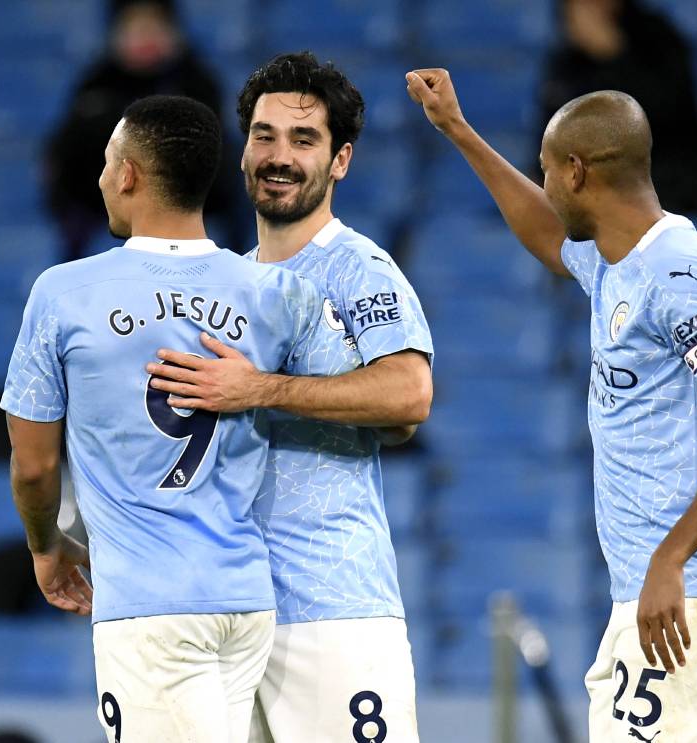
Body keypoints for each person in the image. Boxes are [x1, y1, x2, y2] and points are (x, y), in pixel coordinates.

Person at [406, 69, 697, 742]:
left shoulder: (680, 274)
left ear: (576, 172)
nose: (544, 184)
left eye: (547, 170)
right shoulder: (613, 259)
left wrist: (671, 559)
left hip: (696, 586)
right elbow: (547, 236)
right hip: (658, 587)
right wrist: (459, 131)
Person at [2, 95, 354, 743]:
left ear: (130, 174)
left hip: (149, 607)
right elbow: (367, 408)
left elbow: (33, 464)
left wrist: (45, 547)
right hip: (247, 600)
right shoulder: (273, 292)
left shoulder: (64, 293)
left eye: (110, 163)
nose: (103, 177)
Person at [146, 52, 434, 743]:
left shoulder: (359, 269)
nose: (280, 156)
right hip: (227, 613)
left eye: (304, 140)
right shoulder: (220, 286)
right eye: (265, 136)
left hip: (332, 609)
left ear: (340, 162)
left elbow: (409, 394)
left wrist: (261, 389)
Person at [44, 0, 239, 260]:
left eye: (154, 27)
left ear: (174, 33)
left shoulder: (199, 84)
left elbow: (219, 166)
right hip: (104, 212)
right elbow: (66, 166)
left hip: (191, 209)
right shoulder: (94, 86)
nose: (146, 38)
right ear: (116, 34)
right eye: (135, 28)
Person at [539, 0, 697, 215]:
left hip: (661, 190)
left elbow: (668, 119)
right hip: (583, 196)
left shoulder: (660, 39)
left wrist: (612, 55)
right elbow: (552, 137)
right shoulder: (566, 59)